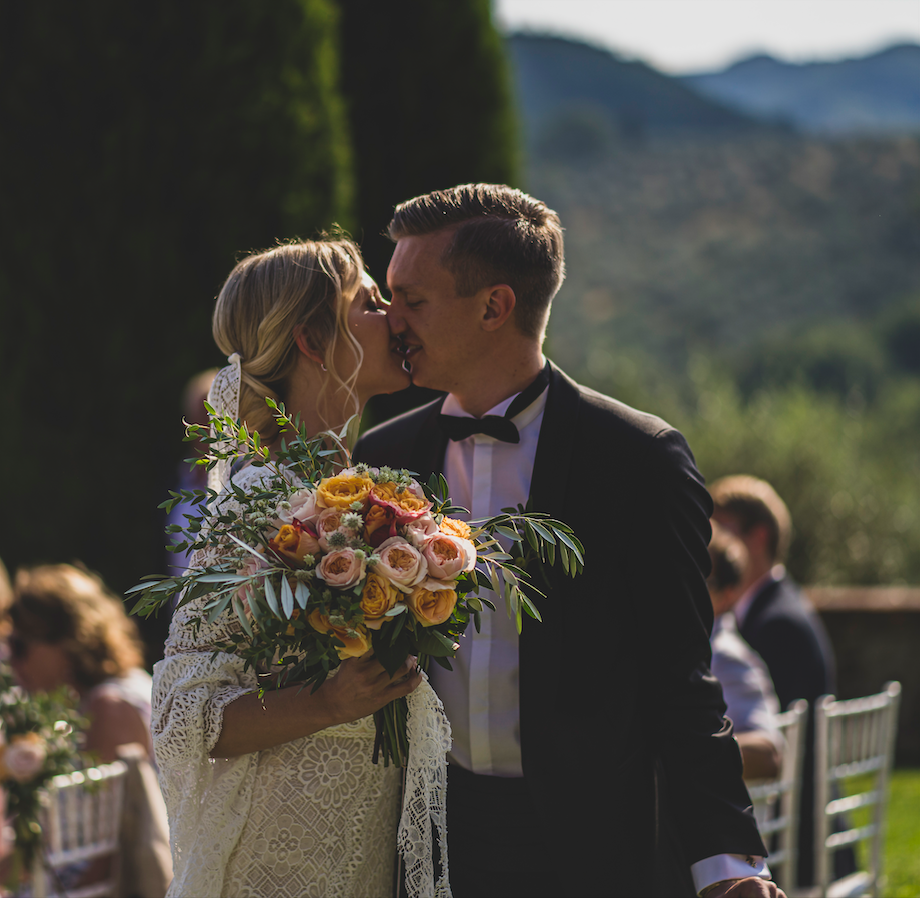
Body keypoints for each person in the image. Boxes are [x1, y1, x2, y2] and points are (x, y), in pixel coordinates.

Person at [355, 184, 780, 898]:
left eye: (413, 300)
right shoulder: (380, 459)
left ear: (494, 306)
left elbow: (682, 681)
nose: (390, 321)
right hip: (428, 842)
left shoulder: (639, 459)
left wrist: (727, 866)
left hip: (597, 849)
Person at [150, 237, 445, 898]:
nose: (395, 315)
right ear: (314, 339)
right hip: (276, 865)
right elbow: (180, 714)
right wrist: (330, 700)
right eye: (370, 302)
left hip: (362, 855)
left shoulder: (379, 498)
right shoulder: (254, 507)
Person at [709, 475, 852, 888]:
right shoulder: (779, 607)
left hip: (792, 831)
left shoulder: (772, 626)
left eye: (722, 530)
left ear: (757, 537)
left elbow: (777, 747)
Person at [10, 563, 154, 763]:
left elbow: (103, 795)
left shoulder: (109, 708)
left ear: (67, 640)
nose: (12, 662)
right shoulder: (106, 695)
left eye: (19, 646)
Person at [707, 525, 783, 781]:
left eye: (700, 581)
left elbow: (768, 754)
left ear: (727, 594)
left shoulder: (726, 657)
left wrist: (690, 750)